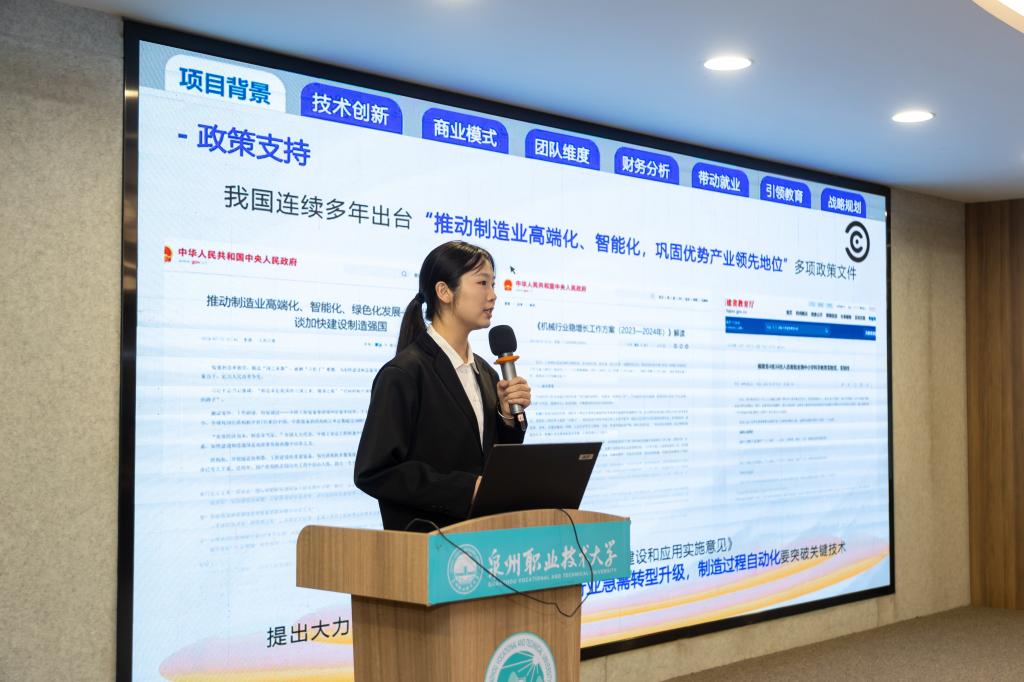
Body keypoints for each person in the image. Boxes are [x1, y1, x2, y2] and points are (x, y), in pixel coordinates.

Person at [354, 241, 532, 531]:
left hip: (485, 541)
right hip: (428, 546)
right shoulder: (404, 373)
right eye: (482, 283)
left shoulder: (487, 373)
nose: (493, 295)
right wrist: (465, 489)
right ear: (444, 291)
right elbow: (375, 471)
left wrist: (506, 418)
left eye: (493, 284)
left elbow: (488, 462)